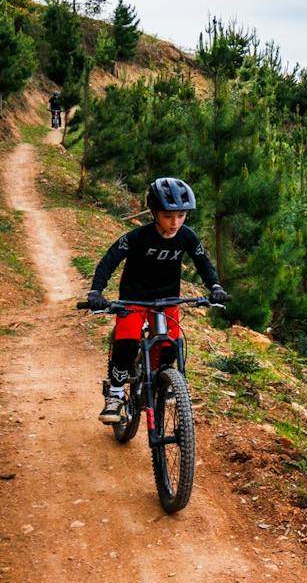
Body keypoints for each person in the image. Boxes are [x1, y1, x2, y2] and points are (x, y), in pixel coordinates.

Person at [86, 177, 230, 423]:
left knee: (170, 346)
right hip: (133, 299)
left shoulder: (186, 237)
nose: (175, 223)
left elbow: (203, 263)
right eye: (167, 216)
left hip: (167, 300)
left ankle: (163, 380)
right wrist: (96, 292)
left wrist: (215, 286)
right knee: (128, 345)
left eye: (181, 216)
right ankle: (116, 394)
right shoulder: (137, 237)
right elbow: (109, 260)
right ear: (153, 212)